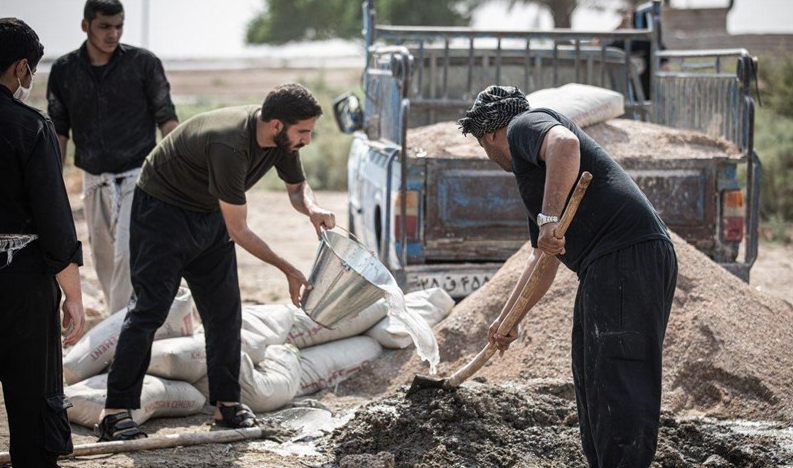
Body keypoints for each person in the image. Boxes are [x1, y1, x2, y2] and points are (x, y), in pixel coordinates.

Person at [96, 83, 336, 441]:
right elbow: (239, 230)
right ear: (276, 125)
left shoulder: (282, 140)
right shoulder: (229, 145)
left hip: (208, 214)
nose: (307, 140)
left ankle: (226, 404)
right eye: (303, 132)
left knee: (225, 312)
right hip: (162, 212)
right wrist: (289, 269)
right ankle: (114, 411)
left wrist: (312, 208)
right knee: (150, 309)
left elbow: (297, 188)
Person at [458, 85, 677, 467]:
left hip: (627, 257)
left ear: (490, 133)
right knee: (593, 374)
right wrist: (507, 320)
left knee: (620, 379)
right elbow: (543, 260)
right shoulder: (537, 178)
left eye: (481, 144)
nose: (487, 153)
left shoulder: (524, 125)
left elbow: (565, 144)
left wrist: (548, 219)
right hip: (606, 265)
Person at [47, 0, 179, 314]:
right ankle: (120, 318)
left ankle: (122, 327)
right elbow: (59, 131)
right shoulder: (65, 70)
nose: (113, 33)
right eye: (105, 26)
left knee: (128, 253)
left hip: (141, 175)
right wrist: (50, 183)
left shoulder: (143, 63)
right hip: (94, 181)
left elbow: (167, 118)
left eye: (118, 25)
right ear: (86, 26)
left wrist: (181, 171)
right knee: (103, 259)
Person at [0, 17, 86, 467]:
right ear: (20, 70)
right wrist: (74, 296)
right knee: (35, 407)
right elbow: (56, 224)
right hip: (20, 282)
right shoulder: (29, 127)